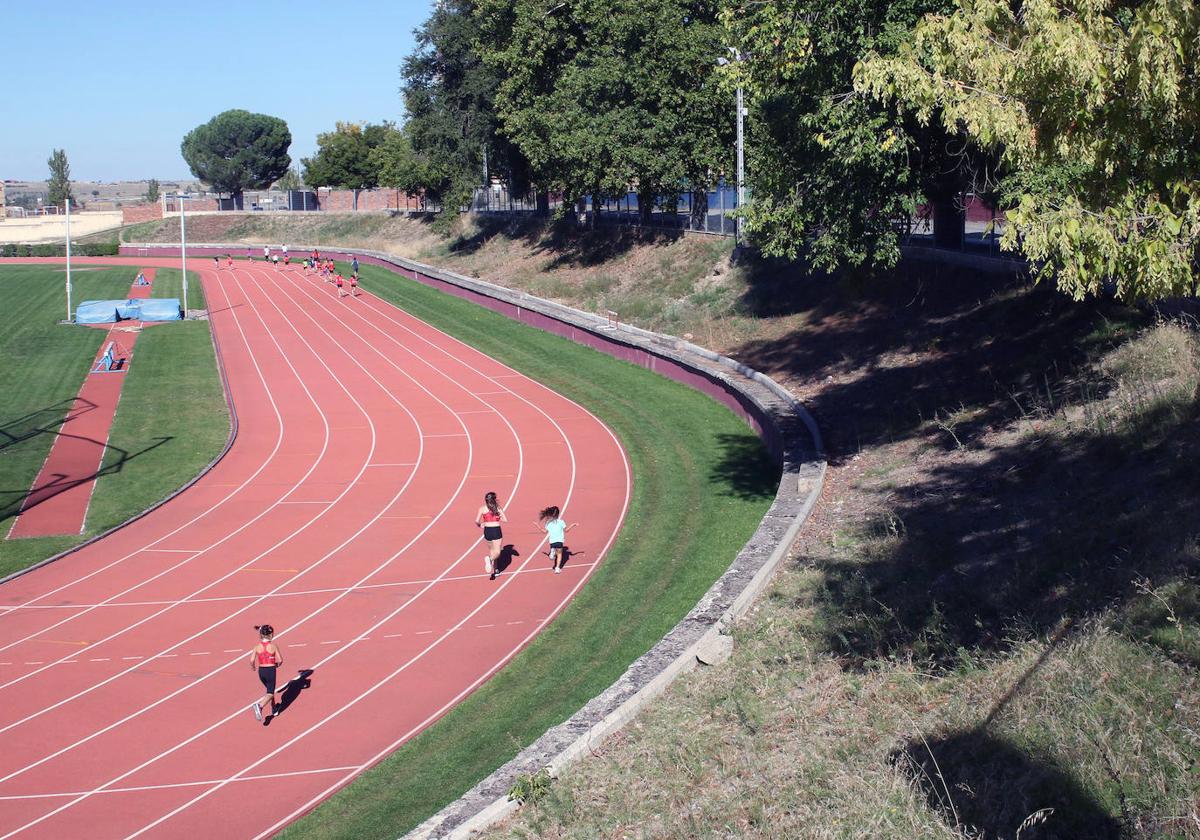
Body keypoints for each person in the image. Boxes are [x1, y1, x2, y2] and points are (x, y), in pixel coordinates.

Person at [249, 624, 284, 721]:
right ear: (270, 635)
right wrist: (276, 665)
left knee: (269, 690)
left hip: (261, 672)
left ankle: (274, 708)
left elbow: (252, 660)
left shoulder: (257, 647)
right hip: (270, 671)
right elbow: (280, 660)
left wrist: (253, 667)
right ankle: (259, 706)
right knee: (270, 693)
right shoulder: (273, 646)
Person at [535, 506, 576, 573]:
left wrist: (537, 526)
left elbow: (544, 532)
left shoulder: (548, 523)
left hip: (552, 542)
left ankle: (552, 551)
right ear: (558, 514)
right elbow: (566, 530)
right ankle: (557, 568)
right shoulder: (561, 522)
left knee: (554, 552)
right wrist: (573, 525)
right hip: (559, 541)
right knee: (559, 555)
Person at [475, 491, 507, 577]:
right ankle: (489, 559)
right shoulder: (498, 508)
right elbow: (505, 520)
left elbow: (476, 521)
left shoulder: (482, 509)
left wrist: (480, 525)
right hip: (496, 530)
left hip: (487, 531)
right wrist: (498, 517)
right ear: (494, 499)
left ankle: (496, 570)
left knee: (492, 550)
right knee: (497, 552)